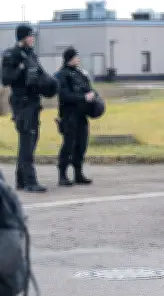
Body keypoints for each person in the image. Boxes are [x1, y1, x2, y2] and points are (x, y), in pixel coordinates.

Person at [1, 25, 49, 192]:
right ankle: (30, 181)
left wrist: (50, 85)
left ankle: (21, 179)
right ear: (22, 37)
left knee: (31, 140)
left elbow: (41, 75)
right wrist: (20, 68)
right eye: (30, 36)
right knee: (27, 139)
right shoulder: (11, 54)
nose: (32, 38)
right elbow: (5, 79)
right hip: (21, 103)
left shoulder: (31, 54)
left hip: (34, 102)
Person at [54, 47, 96, 187]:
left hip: (81, 115)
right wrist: (83, 97)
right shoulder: (61, 75)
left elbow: (89, 88)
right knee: (68, 145)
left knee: (81, 145)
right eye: (76, 57)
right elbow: (65, 96)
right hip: (69, 116)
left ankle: (78, 174)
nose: (78, 59)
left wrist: (93, 96)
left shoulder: (80, 73)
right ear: (69, 58)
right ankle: (63, 175)